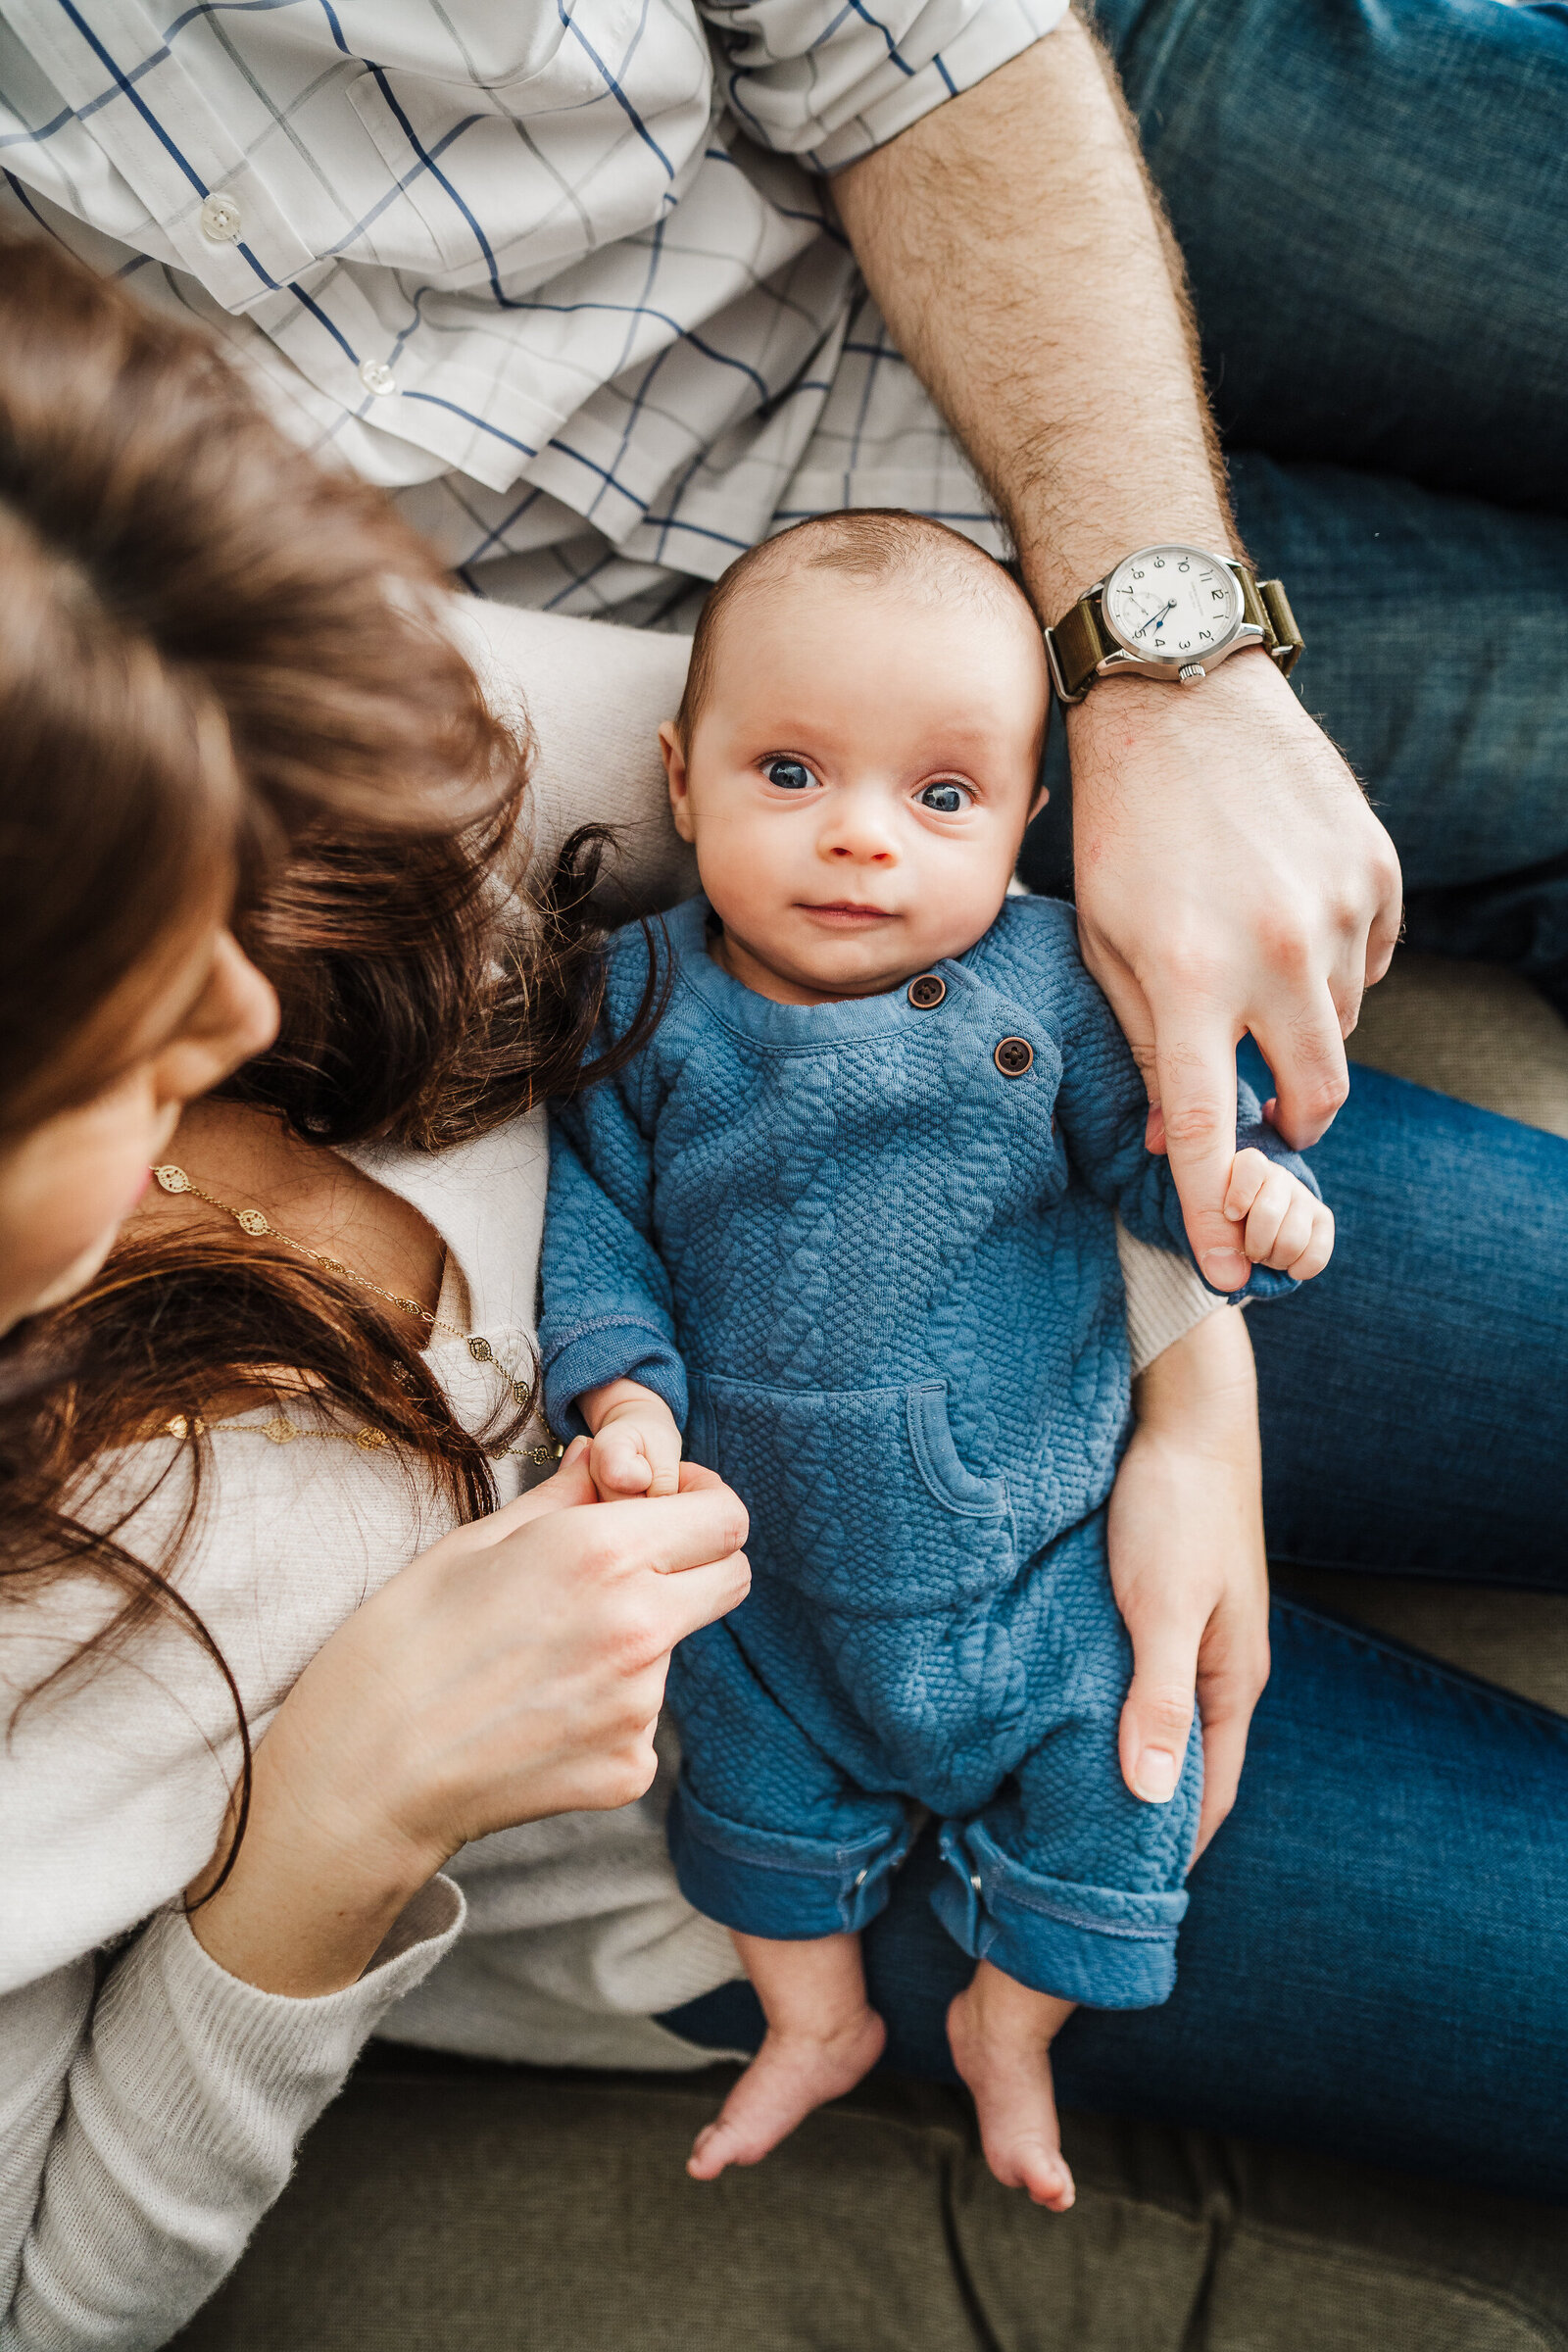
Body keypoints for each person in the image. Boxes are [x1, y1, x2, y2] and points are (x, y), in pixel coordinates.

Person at [539, 511, 1331, 2205]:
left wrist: (1248, 1195)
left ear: (1031, 823)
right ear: (682, 780)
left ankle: (1008, 2025)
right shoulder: (639, 1007)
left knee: (1132, 1768)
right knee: (746, 1818)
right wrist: (620, 1395)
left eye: (942, 798)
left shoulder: (1046, 981)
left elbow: (1156, 1164)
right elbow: (592, 1228)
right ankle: (814, 2024)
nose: (861, 844)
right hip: (768, 1593)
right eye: (791, 773)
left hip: (1034, 1572)